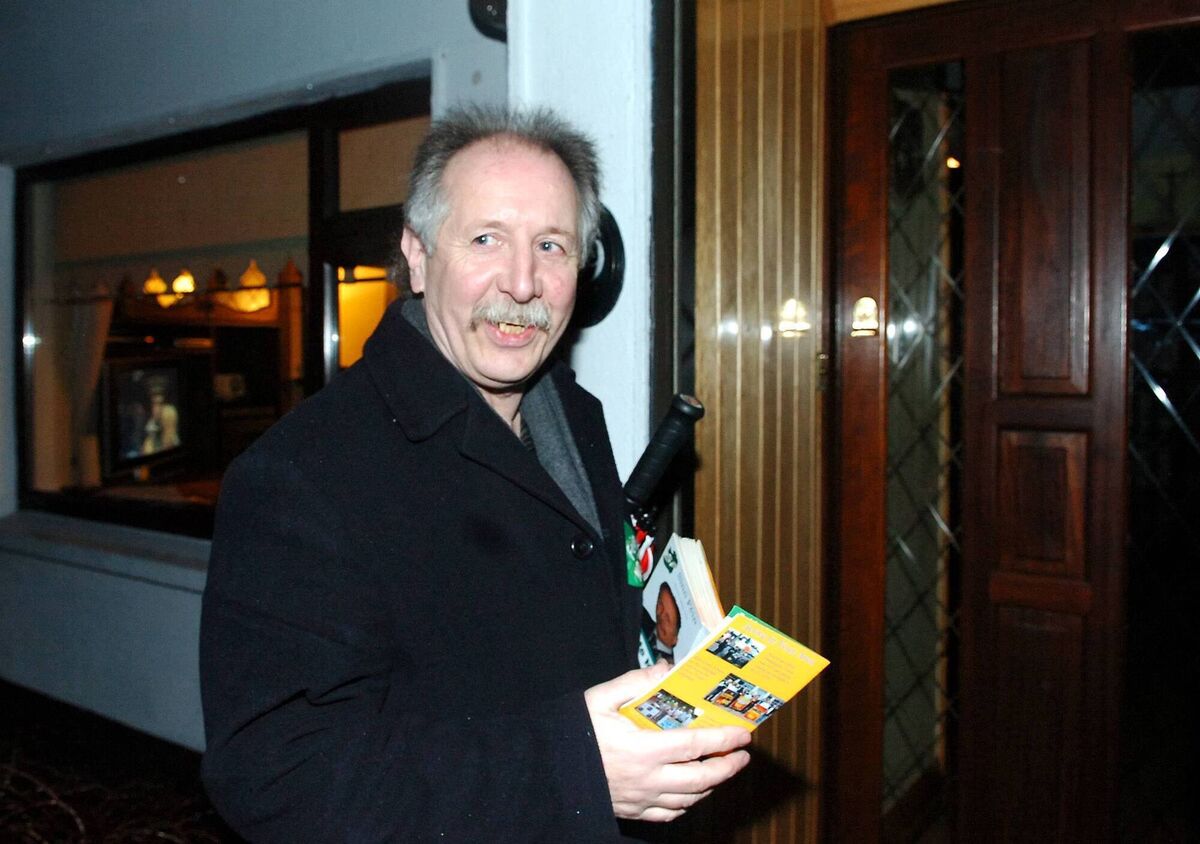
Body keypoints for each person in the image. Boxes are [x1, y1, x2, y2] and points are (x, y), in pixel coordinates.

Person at [199, 105, 750, 843]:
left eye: (550, 245)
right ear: (419, 256)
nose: (522, 283)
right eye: (486, 238)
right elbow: (277, 779)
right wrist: (574, 766)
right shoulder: (301, 475)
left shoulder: (570, 414)